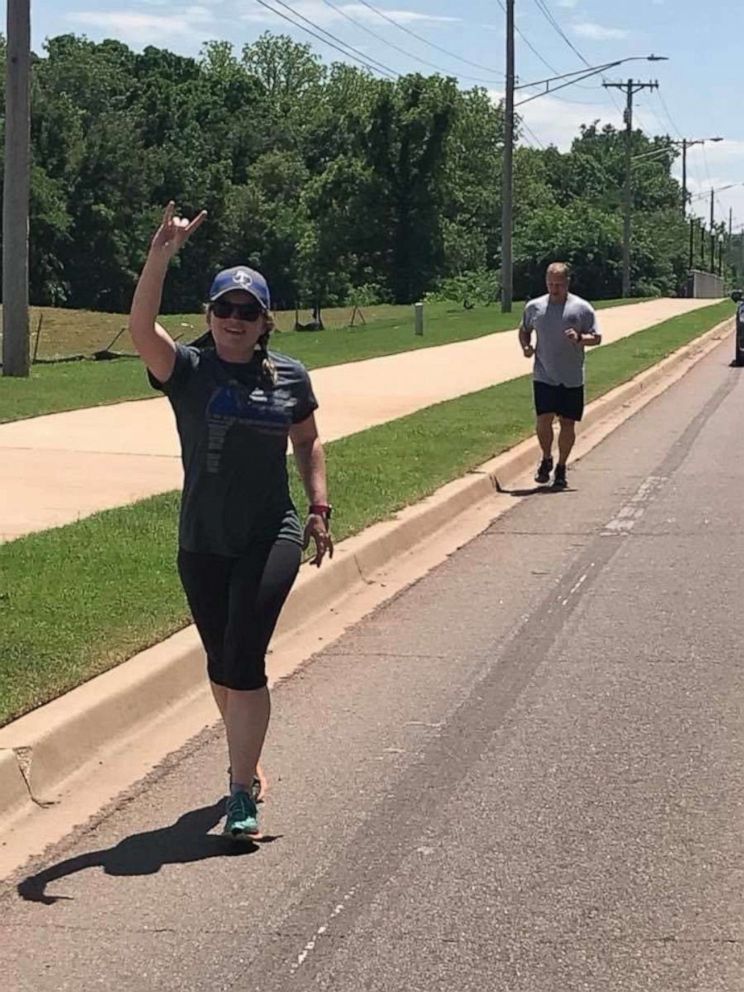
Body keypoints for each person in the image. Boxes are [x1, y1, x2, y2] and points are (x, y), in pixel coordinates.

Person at [129, 203, 333, 841]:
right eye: (225, 309)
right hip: (202, 541)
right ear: (210, 315)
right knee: (221, 662)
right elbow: (140, 328)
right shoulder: (189, 370)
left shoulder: (290, 376)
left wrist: (319, 505)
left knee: (244, 659)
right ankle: (246, 755)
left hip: (271, 531)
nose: (235, 321)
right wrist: (160, 255)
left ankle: (240, 790)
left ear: (264, 321)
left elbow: (308, 439)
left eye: (248, 312)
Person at [518, 262, 602, 489]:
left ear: (567, 283)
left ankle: (562, 466)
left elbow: (596, 337)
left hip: (572, 376)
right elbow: (524, 330)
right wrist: (526, 347)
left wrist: (579, 338)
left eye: (558, 284)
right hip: (544, 374)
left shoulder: (582, 308)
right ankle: (546, 457)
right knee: (543, 420)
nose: (554, 289)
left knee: (567, 423)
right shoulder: (534, 307)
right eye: (550, 284)